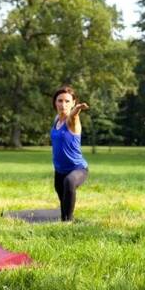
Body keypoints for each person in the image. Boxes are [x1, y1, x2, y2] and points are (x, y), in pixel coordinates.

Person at [51, 86, 89, 222]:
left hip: (77, 169)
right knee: (63, 202)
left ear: (73, 102)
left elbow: (73, 115)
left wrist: (77, 109)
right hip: (59, 171)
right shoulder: (56, 119)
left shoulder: (73, 121)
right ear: (55, 103)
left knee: (70, 182)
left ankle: (68, 223)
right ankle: (65, 221)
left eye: (67, 101)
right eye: (60, 101)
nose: (63, 105)